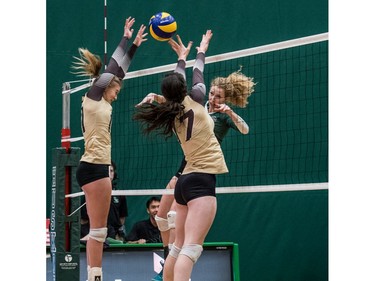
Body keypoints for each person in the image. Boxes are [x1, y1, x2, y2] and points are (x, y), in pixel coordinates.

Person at [137, 63, 255, 267]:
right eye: (212, 93)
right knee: (162, 217)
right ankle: (169, 262)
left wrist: (230, 113)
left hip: (201, 166)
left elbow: (245, 130)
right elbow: (177, 102)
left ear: (225, 99)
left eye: (218, 96)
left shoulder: (221, 117)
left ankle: (170, 265)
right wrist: (156, 97)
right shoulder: (196, 105)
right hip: (186, 162)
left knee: (174, 217)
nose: (213, 98)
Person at [134, 30, 227, 281]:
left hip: (184, 182)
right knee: (191, 248)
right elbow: (198, 73)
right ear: (184, 89)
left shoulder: (170, 108)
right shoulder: (196, 98)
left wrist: (181, 59)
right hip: (201, 179)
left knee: (177, 246)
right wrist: (200, 49)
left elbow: (177, 83)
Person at [74, 17, 147, 281]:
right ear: (107, 86)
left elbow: (120, 70)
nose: (117, 93)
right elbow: (114, 68)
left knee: (98, 231)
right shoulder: (93, 96)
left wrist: (135, 45)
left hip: (94, 166)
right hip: (95, 166)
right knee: (98, 230)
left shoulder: (101, 102)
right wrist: (125, 37)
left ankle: (95, 275)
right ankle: (95, 275)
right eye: (115, 89)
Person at [80, 160, 128, 242]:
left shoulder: (119, 194)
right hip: (95, 232)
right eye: (106, 171)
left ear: (114, 174)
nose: (109, 173)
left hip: (113, 234)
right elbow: (84, 220)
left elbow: (122, 217)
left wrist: (116, 231)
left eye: (111, 171)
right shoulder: (91, 193)